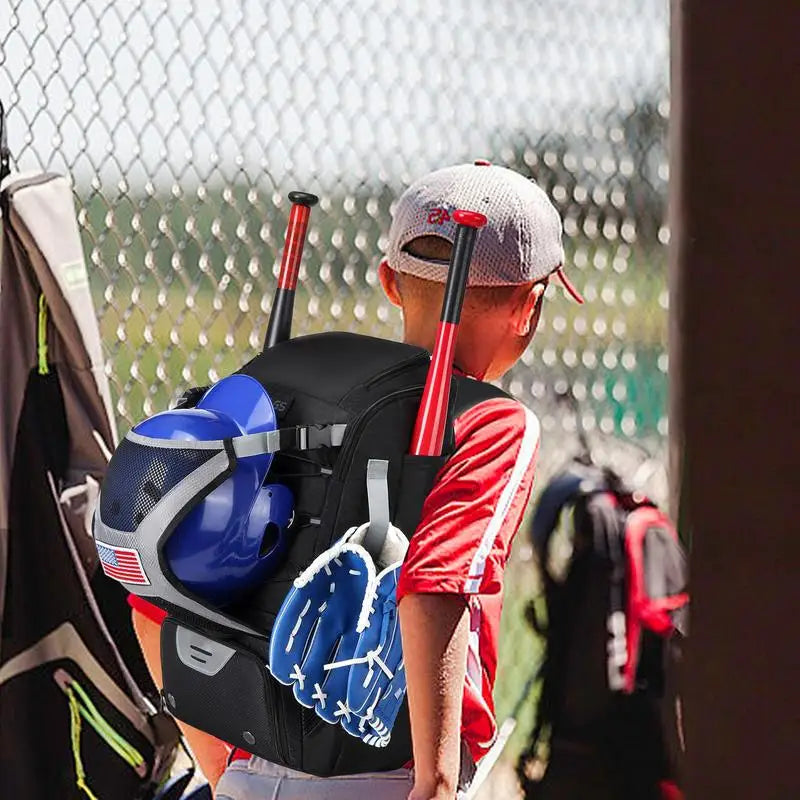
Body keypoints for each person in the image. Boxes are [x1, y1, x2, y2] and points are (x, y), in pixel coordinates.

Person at [130, 161, 583, 800]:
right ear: (529, 307)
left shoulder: (278, 385)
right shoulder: (491, 422)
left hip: (247, 765)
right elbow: (434, 586)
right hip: (390, 774)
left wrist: (224, 769)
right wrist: (436, 783)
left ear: (389, 282)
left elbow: (155, 593)